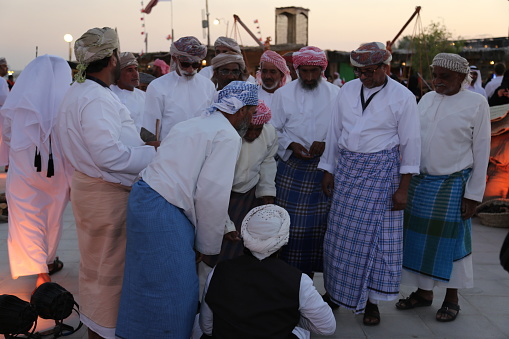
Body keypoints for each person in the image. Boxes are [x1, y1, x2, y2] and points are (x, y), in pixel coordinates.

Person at [116, 81, 258, 339]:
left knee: (144, 280)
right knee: (177, 290)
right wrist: (206, 247)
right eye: (252, 111)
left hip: (143, 200)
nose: (251, 118)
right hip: (162, 208)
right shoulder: (226, 135)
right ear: (241, 110)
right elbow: (211, 194)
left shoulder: (194, 123)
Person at [56, 27, 157, 339]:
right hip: (106, 193)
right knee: (108, 275)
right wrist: (154, 154)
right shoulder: (95, 98)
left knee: (98, 270)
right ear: (112, 58)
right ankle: (104, 331)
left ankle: (102, 328)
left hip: (96, 189)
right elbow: (110, 158)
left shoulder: (82, 91)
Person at [318, 42, 421, 326]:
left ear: (386, 68)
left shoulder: (403, 97)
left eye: (368, 72)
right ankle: (336, 294)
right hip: (348, 172)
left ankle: (372, 303)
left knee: (376, 243)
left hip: (382, 175)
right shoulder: (346, 90)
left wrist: (403, 187)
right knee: (339, 239)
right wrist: (329, 169)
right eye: (358, 72)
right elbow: (334, 129)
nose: (362, 78)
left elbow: (411, 143)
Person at [396, 53, 490, 323]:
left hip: (452, 184)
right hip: (420, 184)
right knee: (419, 242)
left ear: (462, 78)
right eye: (434, 75)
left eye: (444, 76)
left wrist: (473, 195)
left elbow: (482, 152)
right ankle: (423, 293)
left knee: (452, 244)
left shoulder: (477, 102)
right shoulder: (425, 99)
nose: (436, 81)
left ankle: (452, 299)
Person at [199, 204, 336, 339]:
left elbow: (207, 327)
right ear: (283, 240)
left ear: (245, 235)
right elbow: (327, 327)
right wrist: (292, 319)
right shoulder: (299, 280)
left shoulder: (219, 271)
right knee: (301, 331)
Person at [1, 55, 73, 290]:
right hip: (57, 171)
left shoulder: (20, 101)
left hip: (24, 169)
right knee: (52, 218)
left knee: (25, 218)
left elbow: (9, 135)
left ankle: (40, 269)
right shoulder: (66, 101)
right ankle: (47, 261)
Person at [271, 46, 340, 277]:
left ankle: (323, 289)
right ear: (295, 69)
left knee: (323, 228)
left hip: (326, 168)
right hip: (292, 168)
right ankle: (294, 283)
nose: (309, 77)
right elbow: (273, 131)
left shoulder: (337, 94)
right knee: (293, 229)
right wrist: (290, 144)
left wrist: (326, 141)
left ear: (323, 69)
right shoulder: (282, 94)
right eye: (304, 71)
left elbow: (343, 130)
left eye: (314, 71)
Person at [202, 100, 278, 268]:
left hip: (248, 194)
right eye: (248, 129)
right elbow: (214, 188)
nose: (251, 134)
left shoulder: (270, 133)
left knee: (241, 246)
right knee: (215, 247)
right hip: (222, 194)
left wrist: (266, 191)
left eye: (257, 130)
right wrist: (226, 226)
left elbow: (267, 162)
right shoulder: (227, 138)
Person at [143, 36, 215, 140]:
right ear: (175, 59)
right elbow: (150, 128)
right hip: (170, 151)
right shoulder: (158, 86)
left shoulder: (208, 86)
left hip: (202, 150)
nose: (190, 70)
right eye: (185, 64)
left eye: (195, 65)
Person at [111, 52, 145, 132]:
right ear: (118, 74)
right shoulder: (110, 96)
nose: (135, 74)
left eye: (136, 69)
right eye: (129, 70)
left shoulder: (144, 96)